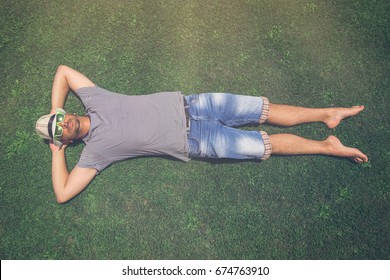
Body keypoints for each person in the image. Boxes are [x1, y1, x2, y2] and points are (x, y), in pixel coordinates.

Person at [36, 65, 368, 203]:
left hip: (196, 105)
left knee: (264, 110)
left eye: (59, 120)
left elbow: (63, 71)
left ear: (65, 113)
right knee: (265, 145)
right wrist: (56, 152)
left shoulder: (94, 98)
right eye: (59, 133)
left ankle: (327, 114)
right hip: (197, 142)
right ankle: (327, 147)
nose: (63, 126)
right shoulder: (95, 154)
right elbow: (63, 192)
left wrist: (53, 109)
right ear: (64, 140)